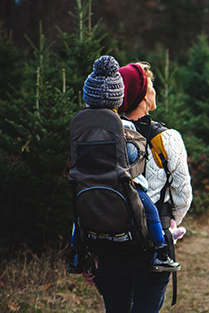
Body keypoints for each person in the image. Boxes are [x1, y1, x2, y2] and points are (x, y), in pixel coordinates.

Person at [88, 59, 192, 312]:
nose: (154, 90)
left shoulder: (102, 136)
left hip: (110, 242)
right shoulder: (167, 138)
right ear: (144, 95)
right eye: (151, 85)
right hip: (151, 247)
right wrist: (171, 222)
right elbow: (183, 196)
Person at [67, 55, 182, 275]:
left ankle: (76, 253)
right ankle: (160, 251)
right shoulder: (123, 125)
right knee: (149, 209)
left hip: (86, 179)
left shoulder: (80, 123)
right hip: (120, 179)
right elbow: (132, 154)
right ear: (117, 98)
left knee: (79, 215)